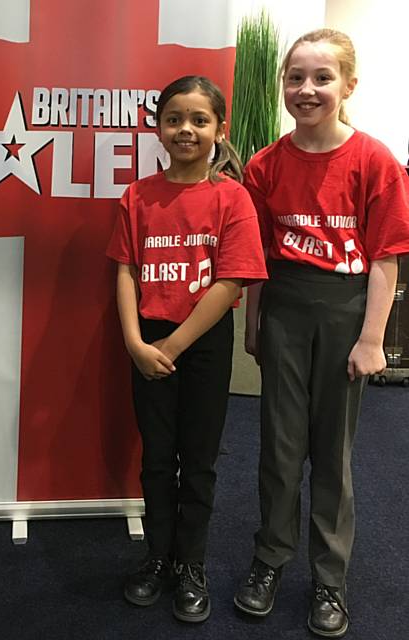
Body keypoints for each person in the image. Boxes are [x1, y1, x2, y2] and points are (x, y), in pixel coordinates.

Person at [232, 29, 409, 638]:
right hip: (285, 304)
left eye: (322, 78)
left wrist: (371, 337)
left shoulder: (374, 161)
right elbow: (256, 258)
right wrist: (254, 320)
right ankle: (269, 558)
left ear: (348, 86)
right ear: (283, 85)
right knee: (279, 448)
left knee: (333, 451)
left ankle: (329, 577)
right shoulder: (264, 164)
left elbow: (386, 256)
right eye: (295, 78)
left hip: (345, 308)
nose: (307, 90)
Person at [107, 75, 267, 623]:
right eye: (174, 118)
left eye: (199, 120)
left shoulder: (232, 198)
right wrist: (134, 341)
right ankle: (158, 557)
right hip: (145, 341)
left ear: (220, 131)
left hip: (199, 343)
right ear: (157, 126)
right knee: (156, 458)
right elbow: (126, 271)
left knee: (198, 462)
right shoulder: (138, 196)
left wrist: (171, 344)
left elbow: (230, 283)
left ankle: (191, 563)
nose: (186, 129)